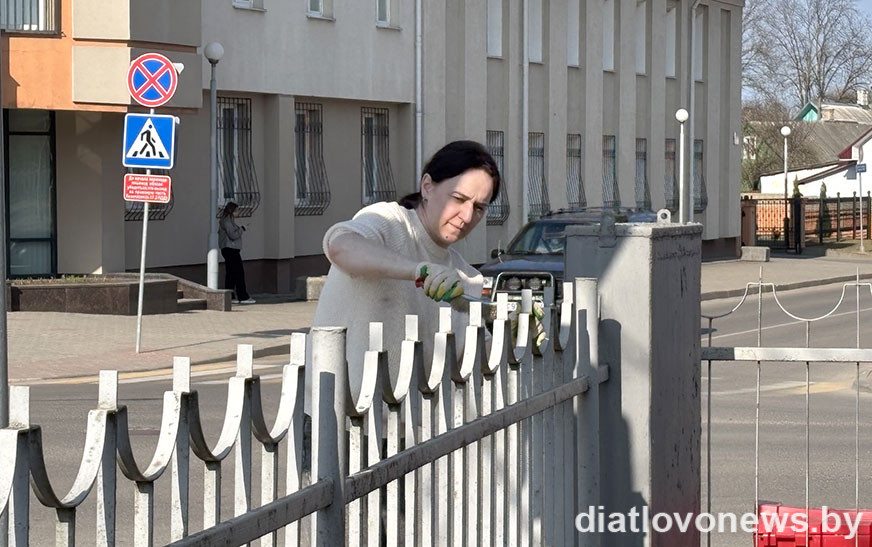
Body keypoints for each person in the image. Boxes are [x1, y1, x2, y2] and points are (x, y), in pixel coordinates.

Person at [310, 140, 501, 402]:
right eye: (458, 198)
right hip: (334, 415)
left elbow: (472, 361)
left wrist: (517, 332)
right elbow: (341, 246)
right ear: (427, 186)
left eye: (479, 208)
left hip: (407, 423)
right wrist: (417, 270)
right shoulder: (388, 220)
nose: (467, 216)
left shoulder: (466, 277)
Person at [219, 201, 255, 304]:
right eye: (236, 211)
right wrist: (242, 229)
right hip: (230, 250)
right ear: (232, 211)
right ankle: (243, 296)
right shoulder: (227, 221)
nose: (237, 212)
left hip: (229, 249)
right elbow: (233, 235)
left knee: (231, 274)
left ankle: (230, 296)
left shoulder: (228, 221)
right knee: (239, 273)